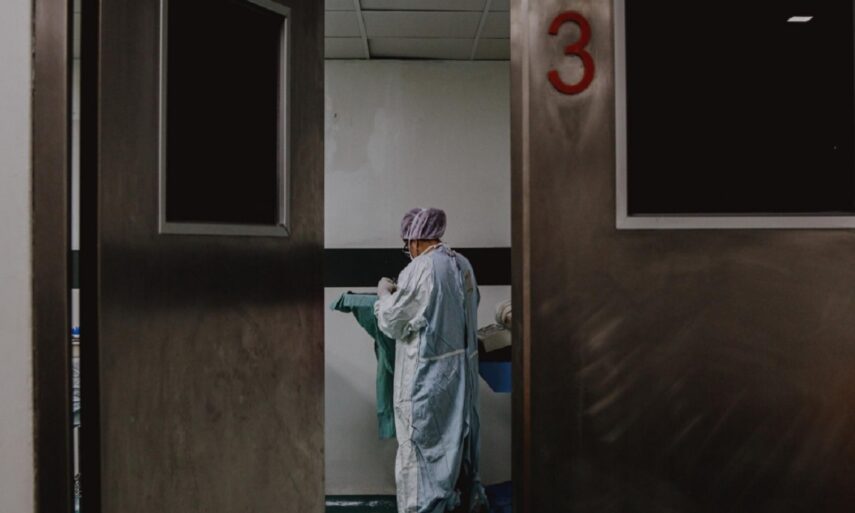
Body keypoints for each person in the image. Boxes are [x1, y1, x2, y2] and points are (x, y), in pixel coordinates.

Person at [375, 208, 487, 513]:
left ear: (413, 241)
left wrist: (384, 295)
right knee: (456, 446)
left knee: (421, 454)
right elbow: (470, 303)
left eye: (407, 245)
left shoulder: (421, 268)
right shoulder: (462, 264)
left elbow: (393, 320)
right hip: (460, 377)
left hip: (426, 380)